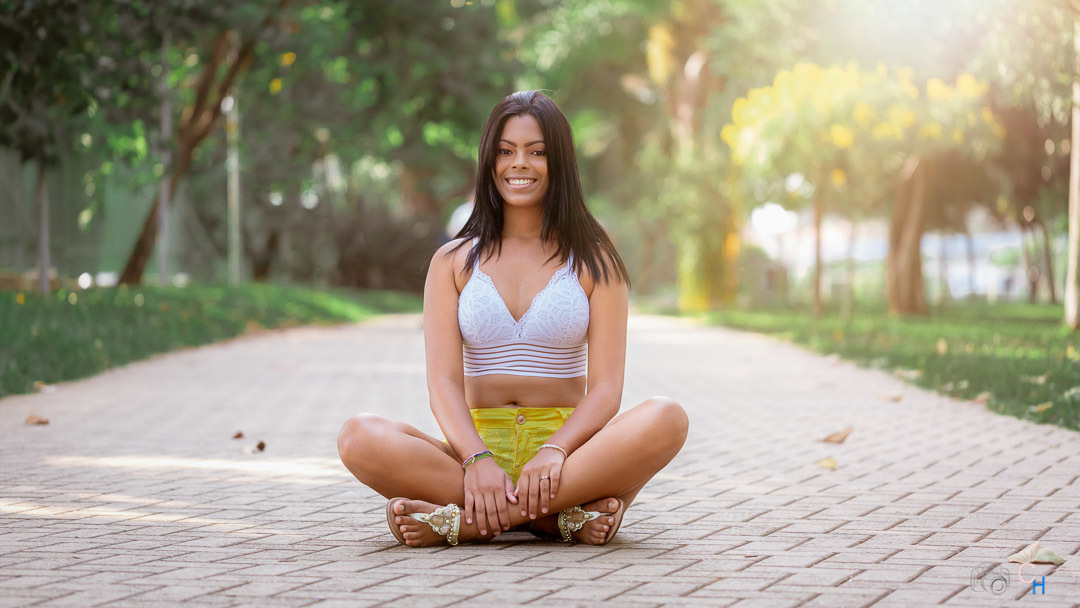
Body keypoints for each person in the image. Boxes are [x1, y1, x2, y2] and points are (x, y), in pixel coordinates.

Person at [337, 90, 688, 547]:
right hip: (473, 453)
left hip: (570, 458)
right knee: (358, 436)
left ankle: (470, 521)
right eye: (506, 151)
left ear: (558, 162)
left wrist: (555, 449)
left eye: (536, 152)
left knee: (667, 417)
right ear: (489, 161)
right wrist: (476, 458)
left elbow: (605, 390)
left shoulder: (596, 261)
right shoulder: (452, 262)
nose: (518, 163)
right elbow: (443, 383)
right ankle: (552, 520)